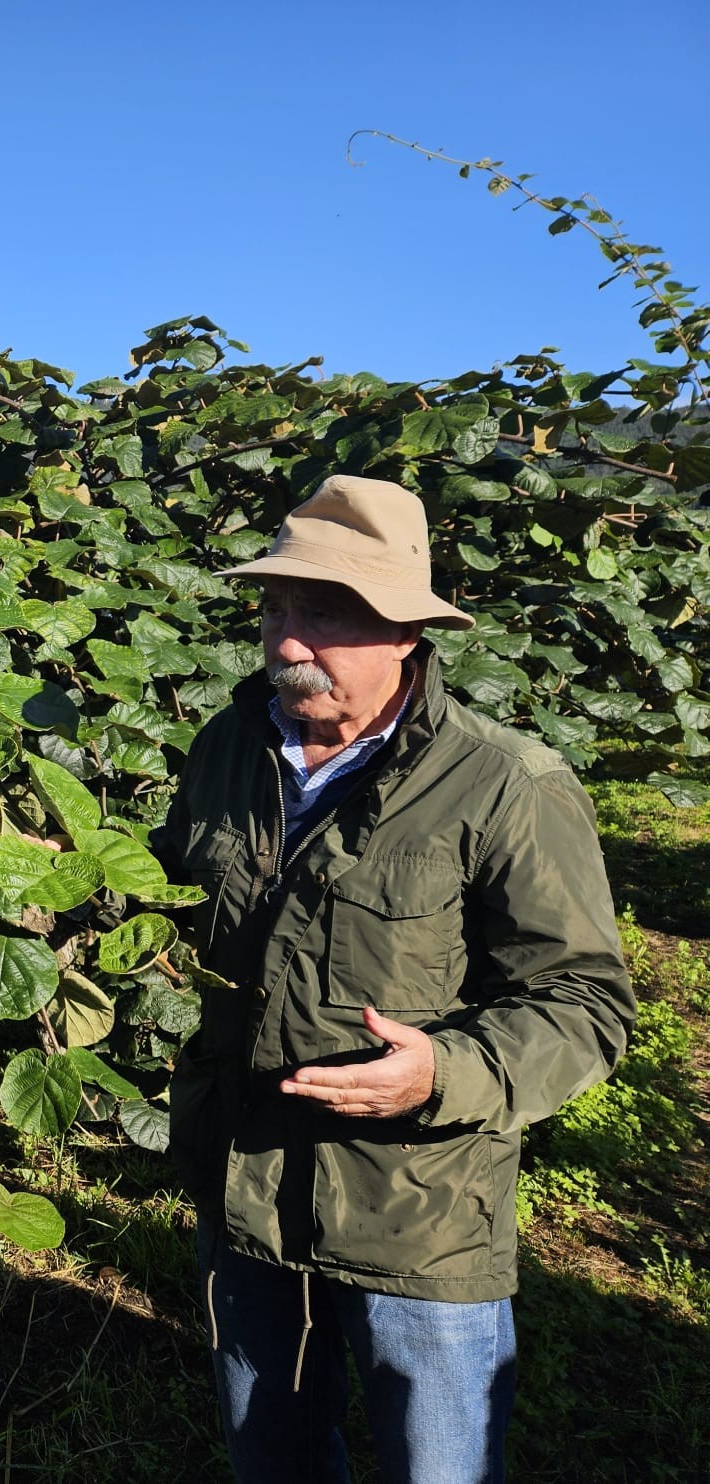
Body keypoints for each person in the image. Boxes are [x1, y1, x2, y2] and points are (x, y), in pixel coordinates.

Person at [151, 474, 635, 1482]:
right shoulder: (226, 751)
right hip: (246, 1187)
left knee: (438, 1467)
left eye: (323, 612)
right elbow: (159, 907)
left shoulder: (505, 782)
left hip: (416, 1211)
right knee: (272, 1460)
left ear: (405, 633)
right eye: (276, 606)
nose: (287, 640)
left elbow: (583, 1002)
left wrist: (441, 1073)